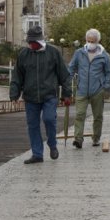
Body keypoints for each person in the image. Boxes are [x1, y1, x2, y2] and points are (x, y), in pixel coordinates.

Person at [10, 26, 71, 164]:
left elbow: (64, 75)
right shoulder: (24, 54)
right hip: (30, 96)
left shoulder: (53, 53)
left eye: (33, 43)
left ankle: (52, 144)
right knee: (32, 125)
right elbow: (17, 76)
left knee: (49, 119)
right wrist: (14, 94)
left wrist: (67, 94)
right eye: (29, 42)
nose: (31, 45)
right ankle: (37, 154)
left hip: (49, 94)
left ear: (40, 41)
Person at [67, 28, 110, 149]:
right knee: (79, 114)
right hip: (81, 89)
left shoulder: (104, 55)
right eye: (88, 40)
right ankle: (78, 139)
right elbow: (71, 68)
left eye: (93, 41)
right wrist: (67, 81)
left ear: (98, 41)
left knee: (97, 116)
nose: (90, 43)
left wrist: (106, 86)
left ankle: (96, 137)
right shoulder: (79, 53)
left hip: (97, 90)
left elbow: (109, 72)